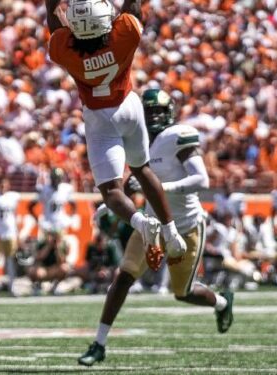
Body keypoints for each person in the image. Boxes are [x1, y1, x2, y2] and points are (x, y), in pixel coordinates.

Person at [78, 89, 234, 366]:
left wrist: (162, 188)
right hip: (151, 225)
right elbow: (129, 183)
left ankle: (222, 303)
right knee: (123, 278)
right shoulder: (138, 138)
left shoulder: (177, 137)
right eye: (150, 112)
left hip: (186, 226)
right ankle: (99, 342)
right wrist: (108, 205)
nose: (155, 117)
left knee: (182, 293)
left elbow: (202, 180)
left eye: (160, 111)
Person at [45, 0, 186, 264]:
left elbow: (54, 14)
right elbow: (132, 8)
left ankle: (141, 223)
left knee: (111, 191)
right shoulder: (124, 35)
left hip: (100, 118)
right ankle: (172, 231)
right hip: (129, 106)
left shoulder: (64, 48)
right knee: (142, 169)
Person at [0, 178, 21, 296]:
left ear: (8, 185)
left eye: (4, 184)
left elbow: (15, 215)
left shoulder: (13, 197)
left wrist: (17, 232)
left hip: (10, 232)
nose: (2, 187)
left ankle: (12, 286)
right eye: (0, 184)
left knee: (10, 260)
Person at [29, 168, 76, 235]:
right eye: (55, 179)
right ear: (51, 178)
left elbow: (74, 205)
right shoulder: (44, 189)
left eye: (58, 179)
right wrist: (37, 220)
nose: (56, 181)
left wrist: (70, 218)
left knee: (63, 244)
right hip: (47, 224)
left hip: (61, 224)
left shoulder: (65, 189)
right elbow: (30, 206)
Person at [28, 229, 69, 295]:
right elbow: (40, 257)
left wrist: (57, 248)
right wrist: (49, 246)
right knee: (32, 271)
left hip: (55, 269)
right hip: (44, 269)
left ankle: (56, 287)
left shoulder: (62, 245)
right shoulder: (41, 244)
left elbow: (62, 261)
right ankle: (38, 286)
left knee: (64, 268)